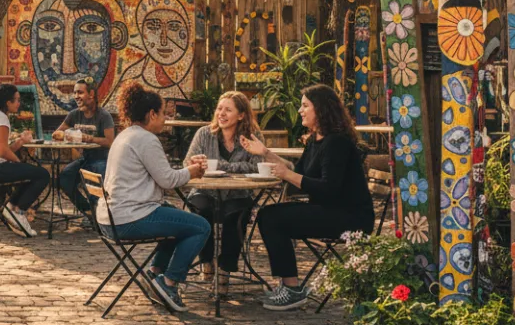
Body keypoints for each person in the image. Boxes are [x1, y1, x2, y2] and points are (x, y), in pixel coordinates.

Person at [241, 83, 374, 311]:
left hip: (349, 218)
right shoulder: (316, 140)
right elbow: (298, 172)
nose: (300, 110)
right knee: (269, 216)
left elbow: (328, 188)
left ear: (320, 109)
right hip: (329, 211)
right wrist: (265, 153)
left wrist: (288, 174)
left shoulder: (336, 143)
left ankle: (292, 289)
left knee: (272, 217)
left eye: (305, 106)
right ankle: (288, 286)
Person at [98, 82, 210, 313]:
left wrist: (185, 170)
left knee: (177, 217)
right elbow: (168, 180)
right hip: (128, 219)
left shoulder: (126, 135)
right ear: (151, 114)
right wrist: (192, 171)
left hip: (109, 217)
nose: (165, 120)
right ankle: (169, 283)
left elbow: (162, 175)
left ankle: (155, 273)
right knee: (200, 226)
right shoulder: (147, 139)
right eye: (163, 115)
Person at [185, 92, 262, 288]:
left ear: (241, 115)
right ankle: (206, 261)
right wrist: (197, 164)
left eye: (228, 110)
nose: (222, 113)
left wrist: (221, 166)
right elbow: (188, 162)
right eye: (220, 109)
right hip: (206, 191)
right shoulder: (204, 134)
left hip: (238, 193)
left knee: (236, 214)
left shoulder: (253, 136)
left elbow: (257, 165)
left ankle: (226, 267)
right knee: (200, 209)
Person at [0, 83, 52, 237]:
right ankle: (18, 211)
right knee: (42, 175)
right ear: (7, 103)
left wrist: (21, 141)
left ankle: (12, 208)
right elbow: (2, 151)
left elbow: (1, 149)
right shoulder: (1, 118)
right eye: (16, 100)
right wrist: (18, 162)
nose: (18, 103)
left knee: (29, 173)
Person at [54, 77, 116, 213]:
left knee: (96, 176)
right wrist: (66, 135)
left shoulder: (104, 116)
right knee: (65, 178)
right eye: (75, 93)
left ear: (91, 94)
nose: (76, 96)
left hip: (102, 159)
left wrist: (89, 138)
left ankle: (101, 215)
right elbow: (57, 133)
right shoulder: (74, 115)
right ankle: (88, 211)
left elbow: (110, 141)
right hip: (84, 159)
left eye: (80, 93)